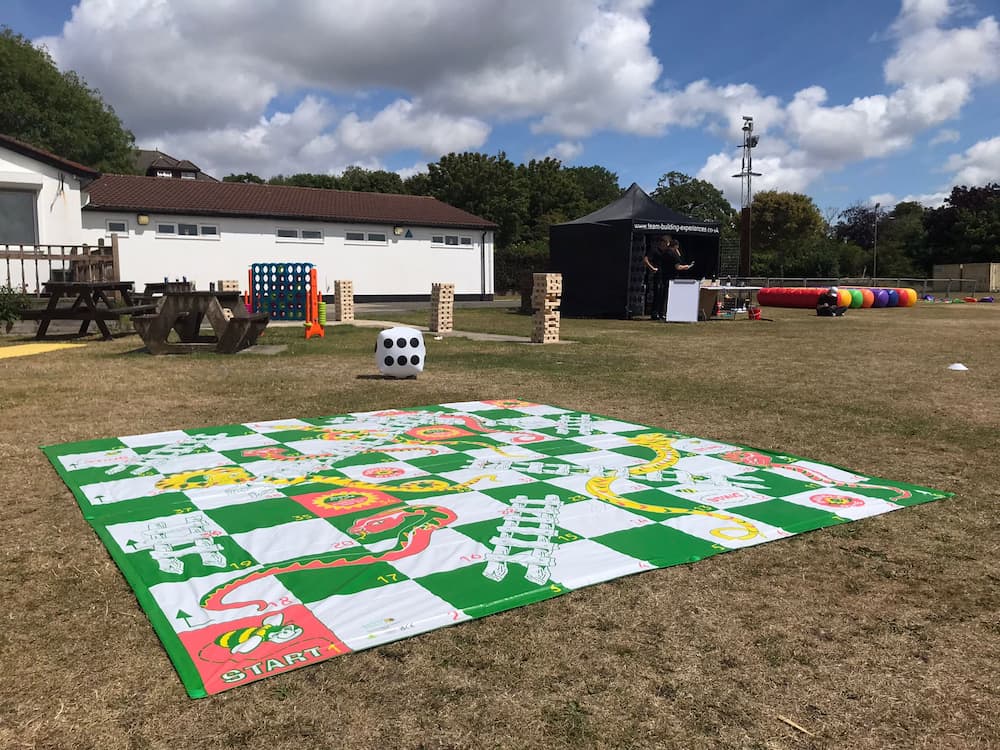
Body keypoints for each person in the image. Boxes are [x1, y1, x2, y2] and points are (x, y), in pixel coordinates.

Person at [644, 235, 694, 320]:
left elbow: (678, 256)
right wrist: (652, 268)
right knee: (658, 294)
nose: (667, 244)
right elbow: (645, 259)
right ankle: (655, 313)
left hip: (665, 275)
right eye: (666, 242)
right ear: (662, 242)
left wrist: (676, 249)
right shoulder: (655, 250)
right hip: (658, 274)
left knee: (664, 295)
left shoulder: (667, 251)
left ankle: (661, 313)